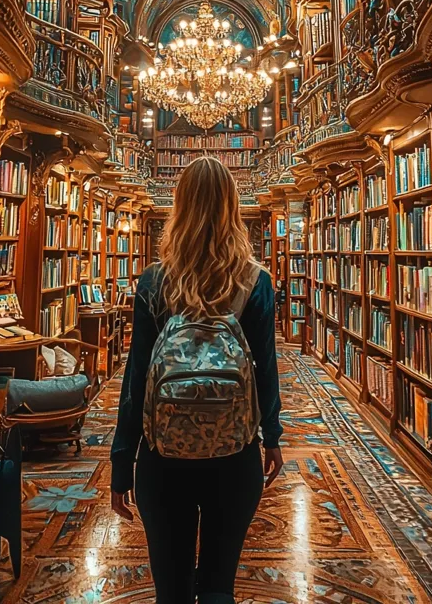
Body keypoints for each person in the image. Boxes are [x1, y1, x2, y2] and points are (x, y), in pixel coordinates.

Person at [111, 156, 284, 604]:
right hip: (235, 453)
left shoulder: (153, 281)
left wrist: (120, 462)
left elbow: (136, 380)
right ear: (232, 208)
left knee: (171, 589)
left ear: (179, 206)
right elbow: (264, 369)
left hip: (162, 457)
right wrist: (273, 438)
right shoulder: (256, 281)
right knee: (218, 586)